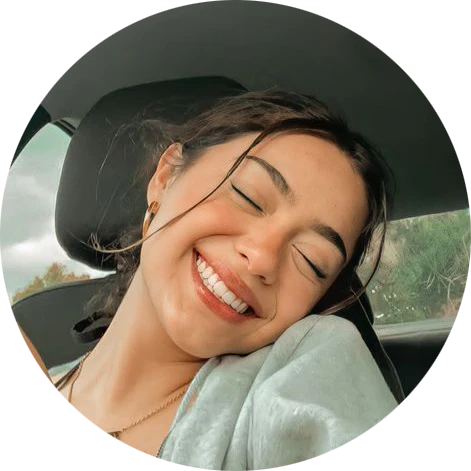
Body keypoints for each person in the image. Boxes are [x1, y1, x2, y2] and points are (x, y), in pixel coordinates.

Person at [41, 88, 398, 469]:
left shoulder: (302, 375)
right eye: (249, 196)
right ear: (166, 177)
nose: (262, 257)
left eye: (312, 261)